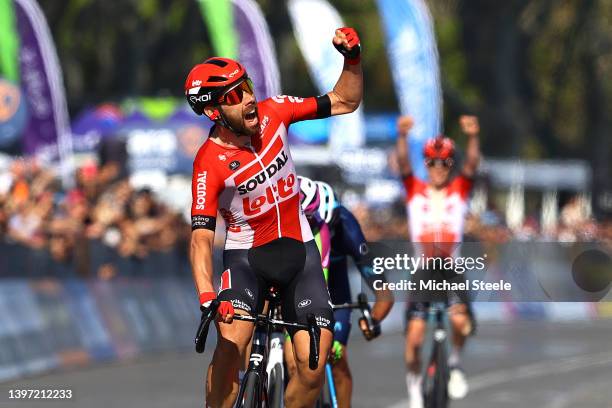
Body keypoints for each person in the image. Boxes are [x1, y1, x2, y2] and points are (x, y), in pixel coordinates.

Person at [186, 27, 363, 408]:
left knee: (314, 365)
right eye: (236, 96)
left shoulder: (275, 112)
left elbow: (344, 101)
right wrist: (206, 295)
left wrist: (352, 59)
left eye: (247, 86)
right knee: (231, 346)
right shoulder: (209, 163)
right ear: (214, 111)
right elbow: (201, 238)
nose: (250, 99)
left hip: (301, 253)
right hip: (247, 260)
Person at [395, 115, 481, 408]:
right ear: (426, 164)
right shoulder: (414, 190)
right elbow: (404, 164)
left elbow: (472, 165)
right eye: (432, 162)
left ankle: (454, 362)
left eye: (444, 162)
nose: (438, 168)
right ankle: (415, 389)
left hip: (451, 271)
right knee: (416, 339)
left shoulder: (459, 190)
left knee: (460, 321)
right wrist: (402, 136)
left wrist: (473, 136)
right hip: (423, 272)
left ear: (450, 165)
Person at [288, 176, 394, 408]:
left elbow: (384, 293)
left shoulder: (348, 227)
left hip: (334, 286)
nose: (323, 231)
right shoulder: (292, 219)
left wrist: (373, 320)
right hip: (296, 283)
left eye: (330, 226)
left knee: (337, 361)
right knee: (294, 361)